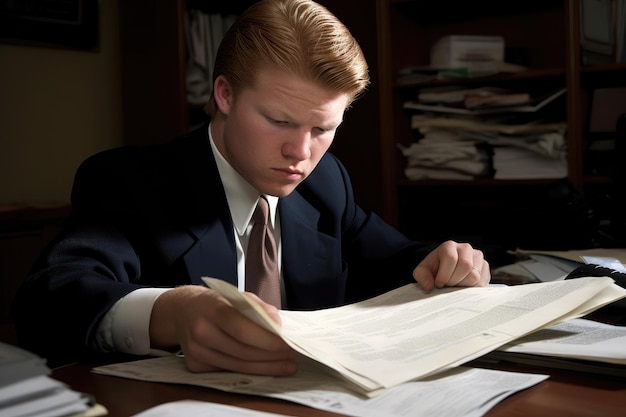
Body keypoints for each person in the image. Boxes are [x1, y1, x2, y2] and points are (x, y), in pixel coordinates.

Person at [12, 0, 490, 373]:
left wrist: (446, 263)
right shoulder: (131, 181)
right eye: (279, 120)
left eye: (323, 128)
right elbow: (48, 301)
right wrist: (173, 313)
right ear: (224, 94)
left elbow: (395, 258)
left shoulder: (327, 181)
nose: (301, 153)